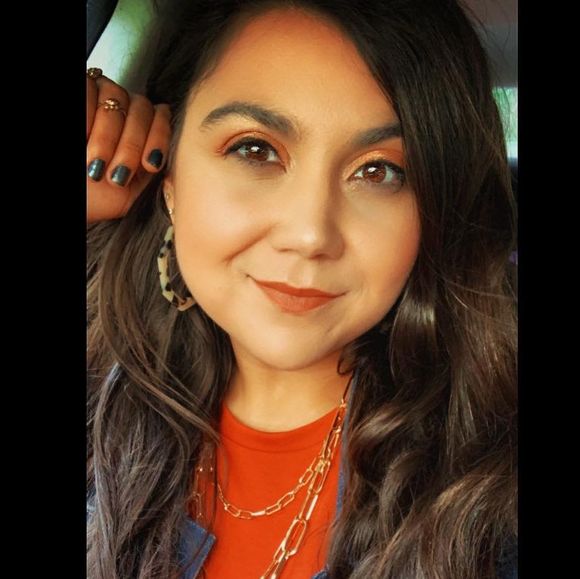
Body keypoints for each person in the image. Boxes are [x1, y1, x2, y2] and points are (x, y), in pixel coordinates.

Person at [86, 1, 518, 578]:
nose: (311, 234)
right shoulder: (103, 403)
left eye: (379, 171)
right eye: (255, 149)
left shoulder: (491, 492)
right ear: (169, 179)